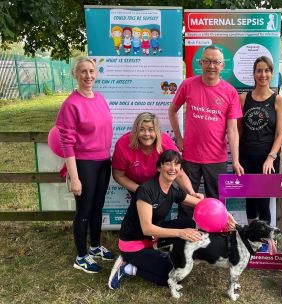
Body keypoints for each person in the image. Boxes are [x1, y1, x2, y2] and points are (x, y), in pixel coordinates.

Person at [108, 150, 236, 289]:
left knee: (188, 223)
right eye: (168, 164)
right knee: (173, 274)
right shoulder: (146, 190)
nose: (172, 168)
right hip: (133, 243)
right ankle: (128, 267)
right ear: (159, 167)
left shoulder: (172, 190)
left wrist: (225, 213)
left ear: (180, 169)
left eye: (176, 165)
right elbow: (147, 228)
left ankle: (156, 252)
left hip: (152, 239)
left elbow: (200, 203)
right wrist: (180, 233)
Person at [168, 45, 244, 218]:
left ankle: (215, 238)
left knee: (216, 202)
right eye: (208, 61)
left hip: (216, 157)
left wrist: (236, 160)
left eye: (216, 62)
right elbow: (172, 110)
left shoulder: (230, 92)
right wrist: (179, 138)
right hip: (189, 155)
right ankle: (185, 236)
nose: (211, 66)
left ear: (222, 65)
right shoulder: (187, 85)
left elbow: (232, 130)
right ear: (200, 63)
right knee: (187, 200)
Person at [55, 56, 114, 273]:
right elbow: (66, 143)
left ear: (96, 74)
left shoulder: (99, 98)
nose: (88, 76)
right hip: (84, 164)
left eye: (91, 71)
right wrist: (75, 176)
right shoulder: (71, 104)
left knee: (98, 206)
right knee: (84, 210)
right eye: (83, 72)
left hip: (103, 161)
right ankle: (81, 257)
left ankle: (95, 246)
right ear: (75, 75)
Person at [112, 112, 203, 205]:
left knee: (159, 209)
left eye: (151, 130)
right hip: (135, 183)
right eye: (142, 129)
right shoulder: (123, 145)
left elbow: (179, 174)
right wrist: (141, 190)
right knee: (142, 207)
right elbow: (118, 175)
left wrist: (192, 193)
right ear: (136, 131)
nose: (147, 134)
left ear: (157, 131)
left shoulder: (166, 144)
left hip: (160, 181)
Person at [238, 56, 282, 224]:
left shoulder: (278, 100)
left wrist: (271, 157)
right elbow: (238, 130)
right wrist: (238, 158)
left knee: (263, 201)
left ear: (272, 73)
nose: (263, 74)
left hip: (268, 159)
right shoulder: (244, 98)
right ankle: (253, 238)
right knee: (250, 200)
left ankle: (266, 241)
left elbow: (280, 133)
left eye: (267, 70)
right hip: (246, 157)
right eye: (259, 70)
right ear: (254, 74)